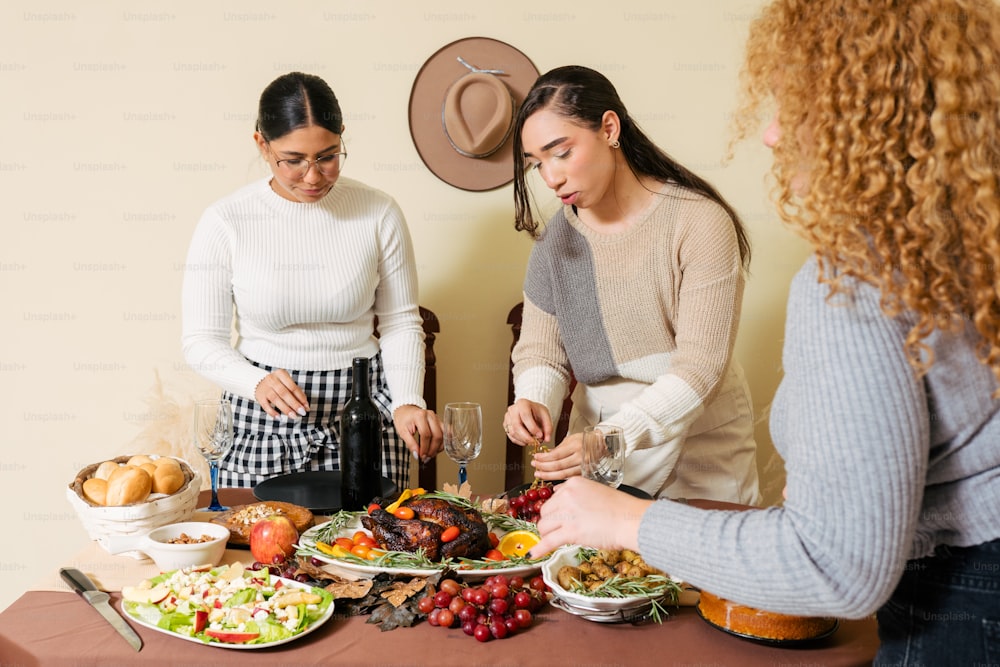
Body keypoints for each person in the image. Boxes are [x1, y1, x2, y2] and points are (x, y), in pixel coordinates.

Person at [530, 1, 1000, 664]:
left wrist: (623, 518)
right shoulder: (965, 236)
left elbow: (839, 567)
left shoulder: (849, 280)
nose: (772, 134)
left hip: (962, 612)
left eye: (795, 104)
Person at [502, 65, 760, 504]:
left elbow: (700, 369)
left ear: (608, 128)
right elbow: (540, 352)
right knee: (600, 570)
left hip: (698, 445)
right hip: (598, 446)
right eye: (537, 164)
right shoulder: (555, 243)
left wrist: (610, 438)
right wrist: (534, 399)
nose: (550, 178)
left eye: (561, 152)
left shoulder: (698, 222)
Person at [181, 72, 442, 492]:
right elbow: (200, 341)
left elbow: (399, 322)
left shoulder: (378, 212)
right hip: (262, 411)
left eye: (327, 156)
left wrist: (408, 401)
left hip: (363, 407)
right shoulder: (225, 221)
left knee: (365, 546)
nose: (313, 176)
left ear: (342, 138)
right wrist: (255, 382)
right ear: (261, 145)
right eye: (293, 160)